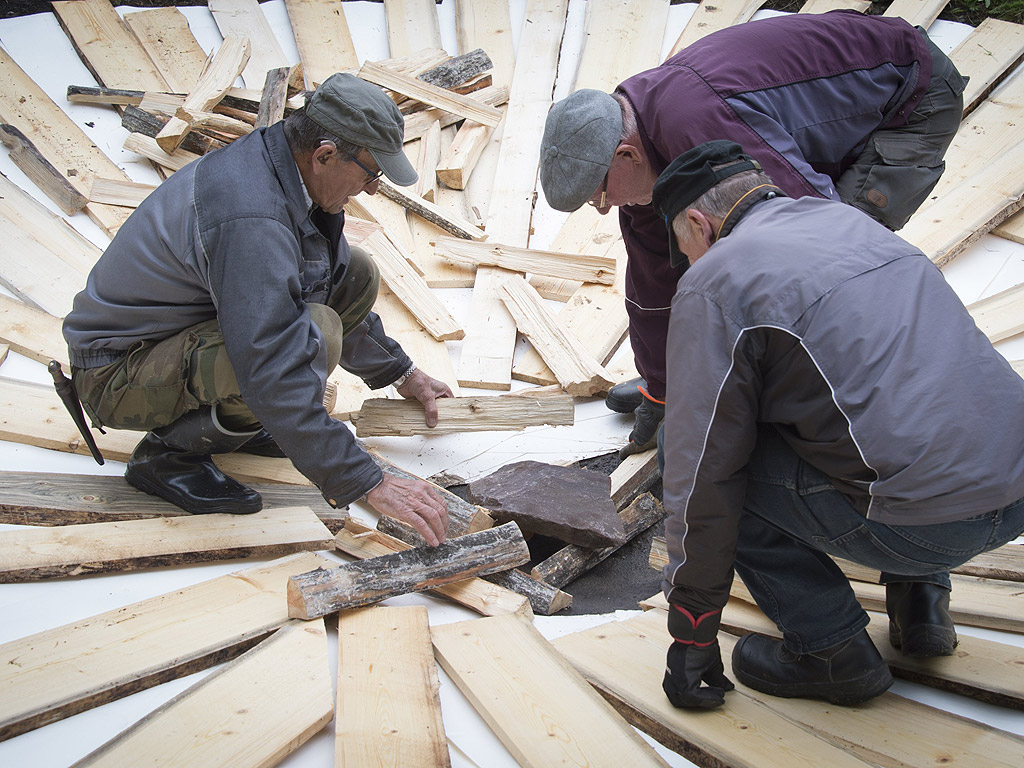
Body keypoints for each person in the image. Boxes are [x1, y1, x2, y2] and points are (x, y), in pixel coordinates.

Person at [648, 139, 1024, 709]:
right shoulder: (848, 222)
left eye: (686, 248)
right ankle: (920, 605)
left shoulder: (717, 279)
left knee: (693, 455)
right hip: (1015, 492)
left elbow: (703, 473)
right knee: (879, 398)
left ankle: (832, 652)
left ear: (698, 224)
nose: (691, 263)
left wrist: (692, 632)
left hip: (930, 527)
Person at [538, 10, 968, 457]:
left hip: (909, 94)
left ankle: (876, 408)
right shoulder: (638, 156)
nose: (603, 208)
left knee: (839, 259)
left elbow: (813, 232)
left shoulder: (699, 122)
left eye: (600, 196)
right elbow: (656, 284)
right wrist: (666, 388)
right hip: (826, 109)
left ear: (626, 155)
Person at [63, 73, 452, 546]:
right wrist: (366, 481)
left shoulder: (285, 166)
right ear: (325, 154)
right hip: (118, 374)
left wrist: (401, 373)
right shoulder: (251, 217)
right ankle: (169, 458)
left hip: (172, 339)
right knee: (314, 335)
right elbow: (271, 365)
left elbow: (323, 280)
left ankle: (246, 423)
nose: (371, 190)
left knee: (357, 273)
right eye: (371, 174)